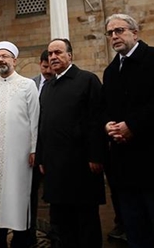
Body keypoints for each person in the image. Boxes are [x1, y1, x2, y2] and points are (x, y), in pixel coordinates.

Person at [101, 14, 154, 248]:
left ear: (135, 33)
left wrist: (132, 125)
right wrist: (108, 125)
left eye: (119, 30)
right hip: (125, 167)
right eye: (110, 33)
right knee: (137, 232)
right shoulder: (111, 71)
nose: (114, 36)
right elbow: (106, 108)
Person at [36, 38, 105, 248]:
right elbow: (43, 125)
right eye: (50, 54)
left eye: (58, 52)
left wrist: (96, 155)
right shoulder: (48, 87)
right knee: (61, 221)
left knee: (85, 220)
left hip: (81, 164)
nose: (53, 57)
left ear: (70, 55)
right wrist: (42, 157)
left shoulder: (87, 80)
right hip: (54, 166)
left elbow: (97, 119)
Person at [0, 41, 39, 248]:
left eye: (5, 56)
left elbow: (35, 119)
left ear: (14, 60)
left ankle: (20, 238)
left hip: (20, 153)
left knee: (18, 193)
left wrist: (34, 148)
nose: (1, 60)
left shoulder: (27, 85)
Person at [27, 50, 52, 245]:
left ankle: (56, 229)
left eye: (50, 67)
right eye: (45, 67)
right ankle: (29, 229)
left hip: (52, 146)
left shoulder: (60, 82)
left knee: (53, 191)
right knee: (30, 190)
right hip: (33, 147)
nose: (48, 70)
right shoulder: (30, 85)